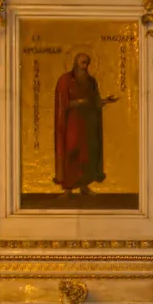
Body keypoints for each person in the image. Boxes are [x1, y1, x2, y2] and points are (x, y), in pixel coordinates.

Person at [53, 52, 118, 196]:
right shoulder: (65, 80)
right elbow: (61, 103)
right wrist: (78, 102)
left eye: (87, 63)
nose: (85, 66)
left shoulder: (91, 81)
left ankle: (84, 186)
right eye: (83, 62)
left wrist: (105, 101)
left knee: (86, 154)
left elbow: (94, 101)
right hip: (71, 123)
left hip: (87, 123)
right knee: (71, 151)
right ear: (76, 63)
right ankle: (68, 188)